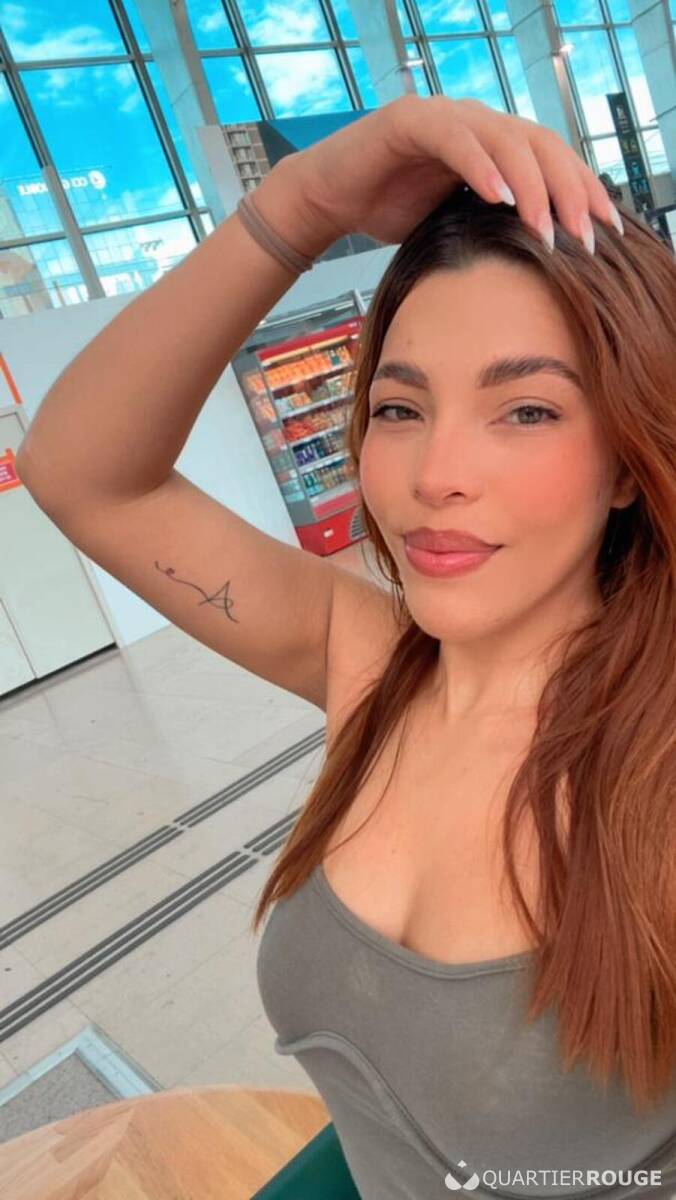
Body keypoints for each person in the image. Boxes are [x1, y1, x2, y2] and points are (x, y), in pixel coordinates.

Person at [16, 95, 676, 1199]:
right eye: (400, 410)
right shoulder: (367, 658)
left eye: (526, 411)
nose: (434, 477)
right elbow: (79, 472)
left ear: (625, 460)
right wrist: (302, 201)